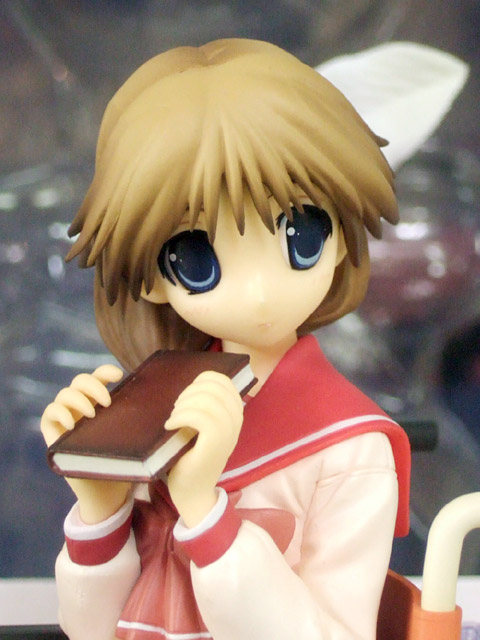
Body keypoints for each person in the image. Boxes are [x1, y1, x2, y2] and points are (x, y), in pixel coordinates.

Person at [41, 38, 410, 640]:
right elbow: (93, 630)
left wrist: (208, 518)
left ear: (342, 236)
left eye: (301, 235)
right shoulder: (154, 412)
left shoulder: (351, 450)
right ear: (154, 280)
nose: (261, 293)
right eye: (197, 258)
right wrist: (100, 509)